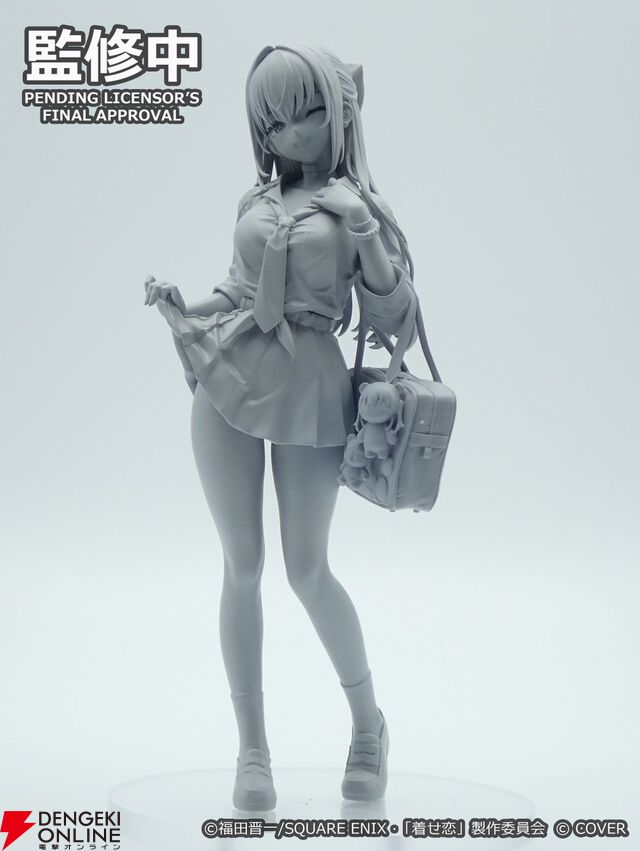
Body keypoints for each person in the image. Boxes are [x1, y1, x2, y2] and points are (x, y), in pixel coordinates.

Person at [144, 44, 418, 811]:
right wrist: (182, 305)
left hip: (309, 387)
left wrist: (363, 231)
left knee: (307, 569)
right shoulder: (255, 202)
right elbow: (237, 291)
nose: (289, 133)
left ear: (340, 112)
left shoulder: (355, 206)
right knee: (241, 564)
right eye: (272, 121)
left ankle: (369, 727)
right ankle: (252, 748)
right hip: (231, 375)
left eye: (307, 113)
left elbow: (396, 315)